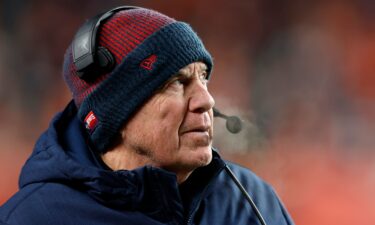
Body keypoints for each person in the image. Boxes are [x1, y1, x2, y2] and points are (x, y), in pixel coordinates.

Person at [0, 6, 294, 225]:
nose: (206, 100)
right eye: (176, 82)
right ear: (116, 112)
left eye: (203, 78)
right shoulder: (33, 218)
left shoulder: (252, 200)